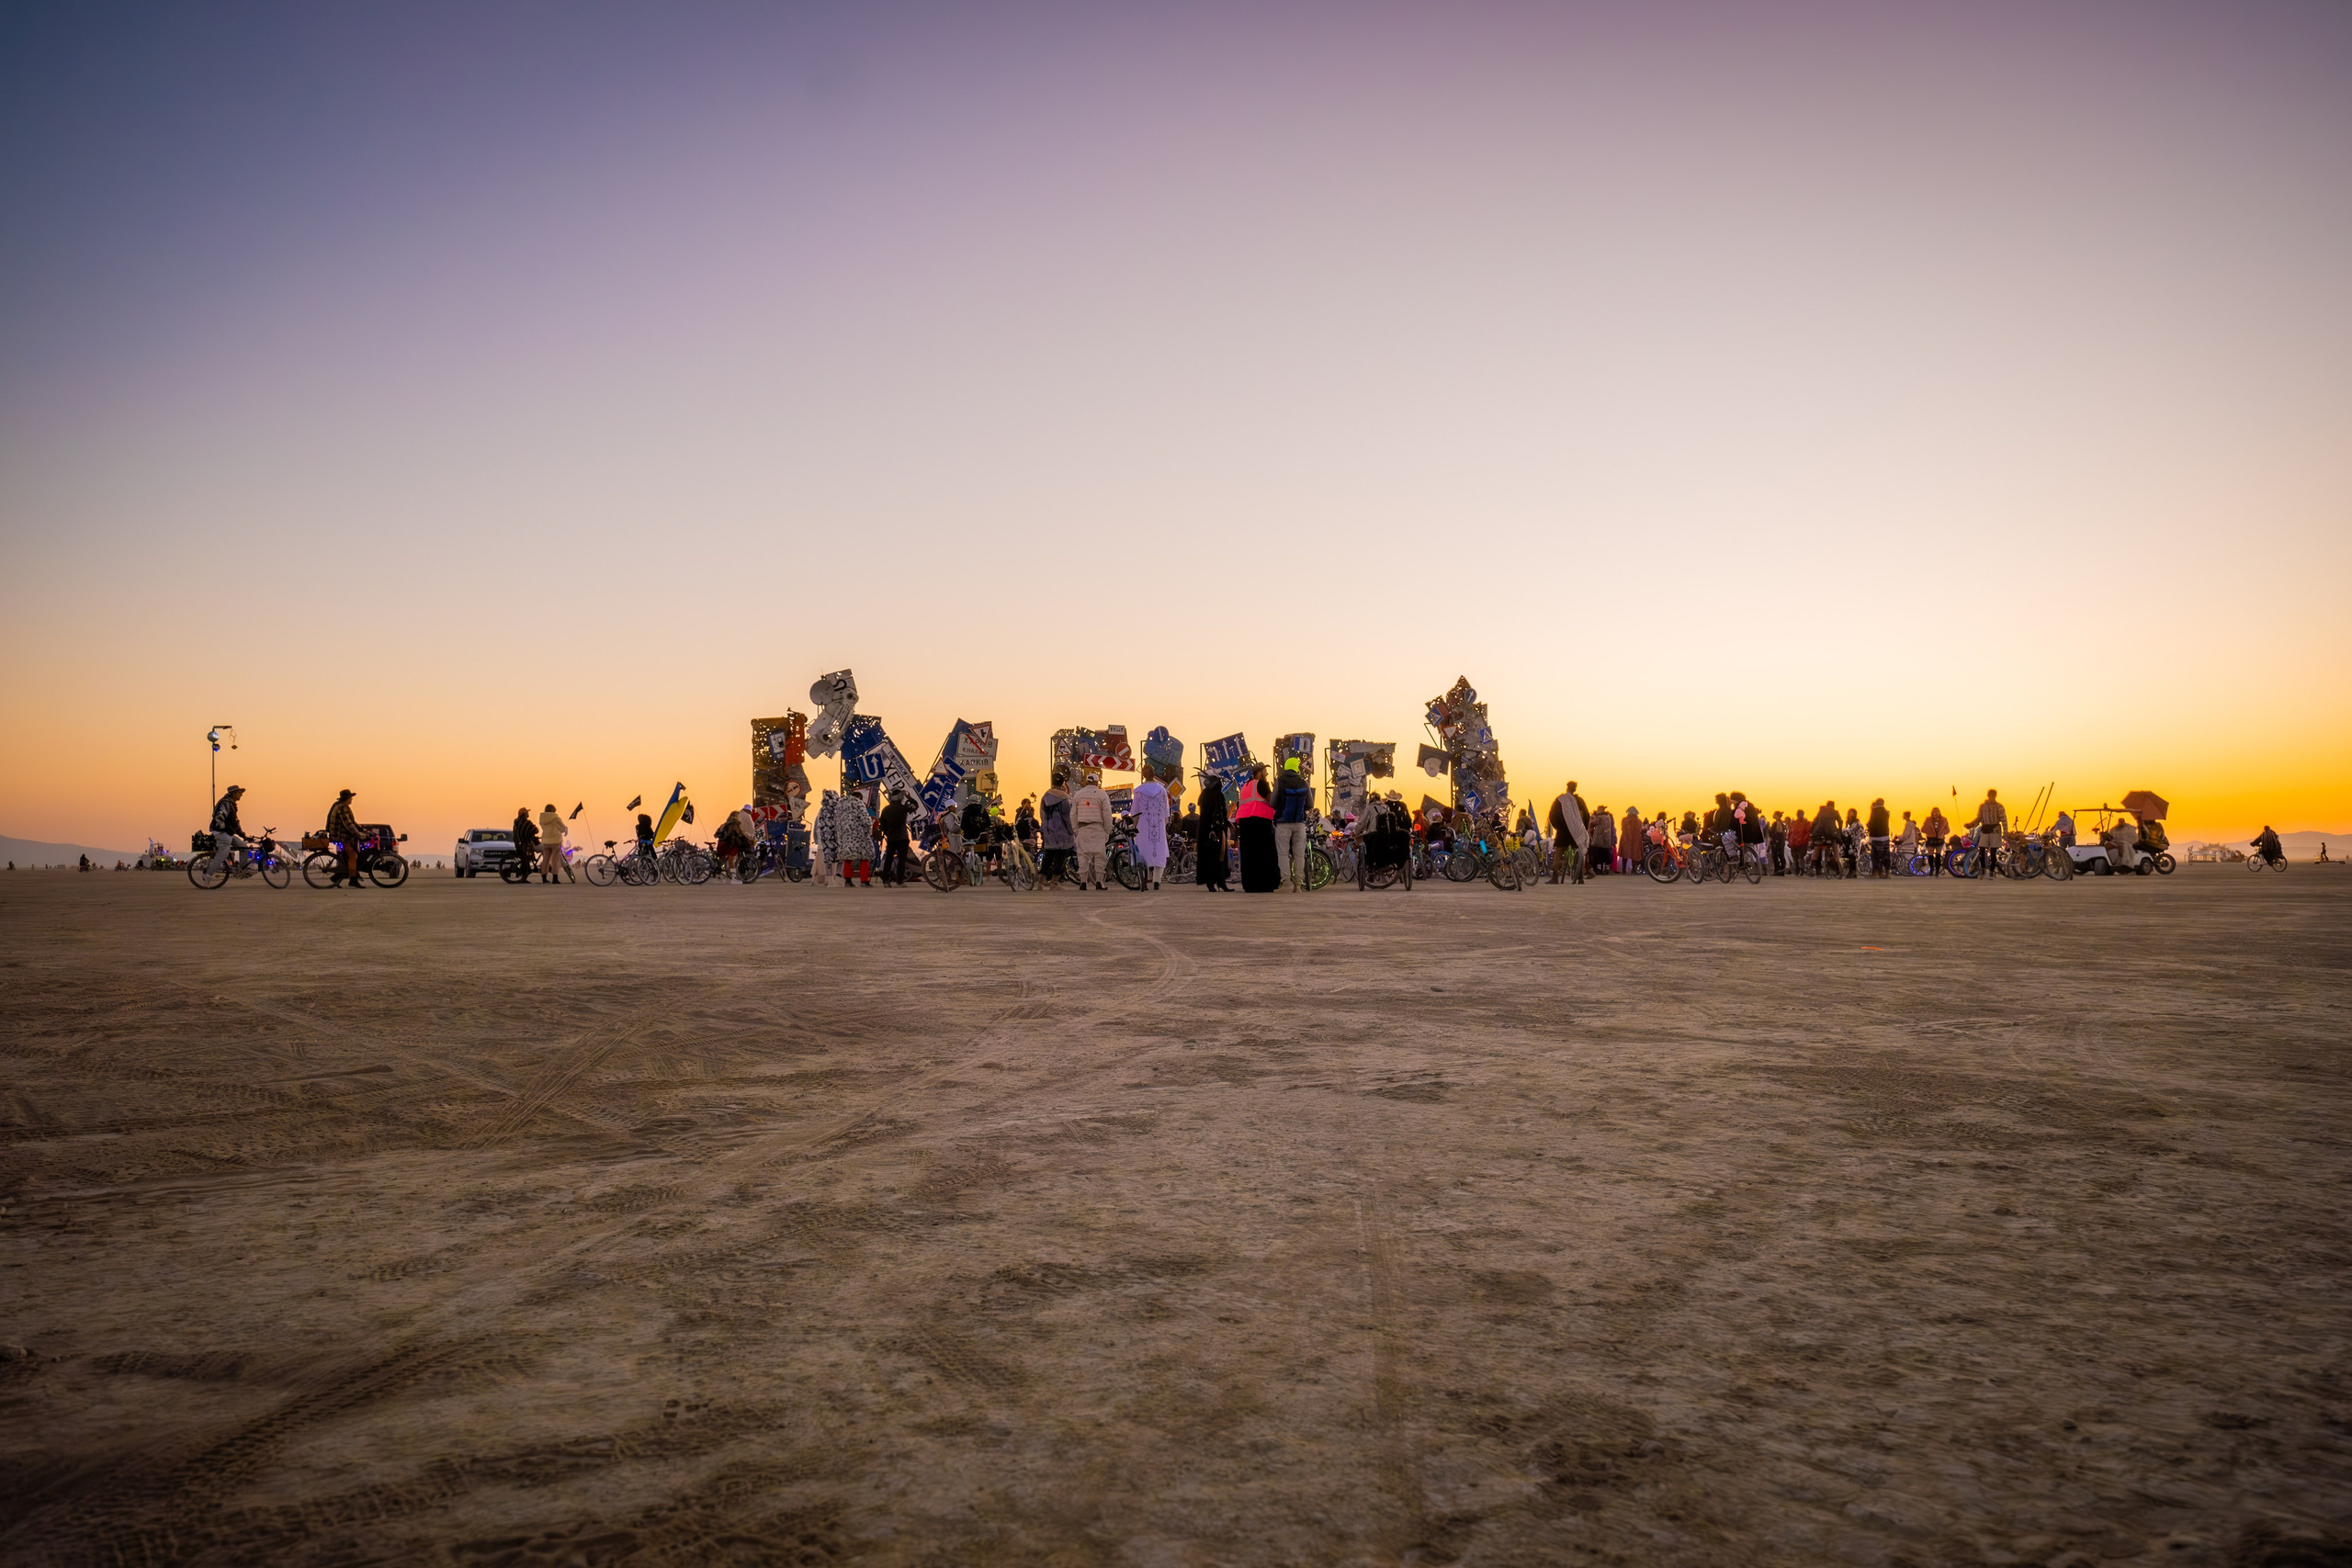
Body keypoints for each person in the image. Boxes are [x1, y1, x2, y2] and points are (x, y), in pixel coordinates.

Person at [1235, 762, 1281, 893]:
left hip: (1244, 820)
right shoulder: (1261, 784)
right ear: (1259, 773)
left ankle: (1250, 885)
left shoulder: (1245, 786)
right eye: (1265, 772)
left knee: (1249, 854)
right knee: (1265, 852)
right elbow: (1271, 800)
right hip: (1259, 820)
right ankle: (1266, 884)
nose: (1266, 774)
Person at [1271, 758, 1313, 890]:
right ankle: (1298, 885)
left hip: (1283, 823)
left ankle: (1286, 882)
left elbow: (1272, 802)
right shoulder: (1304, 783)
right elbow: (1310, 804)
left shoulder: (1280, 781)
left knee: (1283, 853)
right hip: (1299, 823)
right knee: (1299, 854)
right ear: (1296, 768)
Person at [1069, 770, 1114, 889]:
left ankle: (1083, 882)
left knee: (1083, 856)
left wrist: (1077, 831)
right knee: (1100, 857)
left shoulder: (1078, 795)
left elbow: (1073, 815)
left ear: (1086, 782)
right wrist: (1107, 830)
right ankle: (1099, 882)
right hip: (1098, 828)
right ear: (1097, 782)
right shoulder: (1102, 795)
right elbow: (1107, 815)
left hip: (1083, 829)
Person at [1133, 769, 1170, 889]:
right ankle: (1157, 881)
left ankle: (1144, 879)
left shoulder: (1138, 791)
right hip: (1158, 826)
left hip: (1143, 827)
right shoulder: (1162, 790)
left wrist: (1134, 827)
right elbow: (1166, 812)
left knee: (1143, 853)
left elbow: (1135, 813)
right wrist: (1163, 826)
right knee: (1159, 852)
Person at [204, 784, 250, 879]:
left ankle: (241, 871)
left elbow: (235, 822)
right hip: (220, 832)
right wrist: (225, 829)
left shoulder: (232, 804)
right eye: (239, 793)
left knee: (244, 847)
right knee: (223, 853)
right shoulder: (225, 803)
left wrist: (243, 835)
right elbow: (219, 818)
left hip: (228, 833)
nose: (241, 795)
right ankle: (208, 874)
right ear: (233, 793)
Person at [831, 789, 876, 886]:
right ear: (860, 798)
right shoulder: (858, 804)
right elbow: (865, 820)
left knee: (848, 858)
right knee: (864, 858)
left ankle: (848, 881)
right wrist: (869, 831)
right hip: (859, 836)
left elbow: (836, 821)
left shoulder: (839, 805)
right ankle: (864, 881)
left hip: (844, 836)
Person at [1194, 774, 1231, 890]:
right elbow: (1216, 813)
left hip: (1207, 830)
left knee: (1209, 856)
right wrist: (1214, 828)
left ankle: (1213, 881)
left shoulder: (1204, 795)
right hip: (1216, 830)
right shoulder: (1216, 795)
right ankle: (1219, 881)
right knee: (1218, 856)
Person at [1547, 782, 1588, 884]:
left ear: (1567, 787)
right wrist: (1584, 828)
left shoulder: (1560, 800)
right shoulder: (1579, 801)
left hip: (1563, 830)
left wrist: (1558, 827)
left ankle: (1555, 877)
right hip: (1577, 830)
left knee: (1559, 853)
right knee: (1580, 852)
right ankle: (1580, 877)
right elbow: (1586, 815)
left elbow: (1553, 815)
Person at [1039, 772, 1075, 885]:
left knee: (1048, 855)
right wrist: (1071, 831)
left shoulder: (1045, 797)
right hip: (1062, 832)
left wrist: (1045, 828)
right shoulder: (1064, 798)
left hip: (1049, 831)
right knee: (1060, 856)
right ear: (1063, 783)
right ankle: (1055, 881)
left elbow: (1042, 814)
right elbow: (1067, 817)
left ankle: (1041, 880)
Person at [329, 790, 367, 888]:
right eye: (351, 797)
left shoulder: (343, 806)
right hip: (341, 835)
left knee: (349, 857)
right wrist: (359, 834)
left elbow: (353, 823)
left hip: (342, 835)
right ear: (347, 798)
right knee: (352, 855)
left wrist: (364, 831)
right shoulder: (342, 807)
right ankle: (353, 880)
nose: (352, 799)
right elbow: (348, 824)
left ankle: (337, 877)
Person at [877, 790, 913, 886]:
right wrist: (909, 797)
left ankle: (885, 879)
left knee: (889, 858)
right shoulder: (903, 808)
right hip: (902, 837)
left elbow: (882, 825)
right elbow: (915, 806)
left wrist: (886, 833)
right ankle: (899, 880)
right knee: (902, 859)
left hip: (891, 837)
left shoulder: (886, 809)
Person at [1972, 789, 2006, 877]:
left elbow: (2003, 819)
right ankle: (1983, 868)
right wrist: (1972, 825)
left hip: (1995, 830)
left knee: (1993, 851)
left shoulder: (1999, 806)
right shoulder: (1983, 807)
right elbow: (1979, 818)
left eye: (1993, 795)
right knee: (1982, 850)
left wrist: (2005, 832)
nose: (1992, 797)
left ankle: (1992, 870)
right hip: (1985, 829)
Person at [537, 804, 571, 883]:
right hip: (555, 840)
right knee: (555, 860)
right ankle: (555, 878)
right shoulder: (556, 818)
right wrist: (566, 829)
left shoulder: (542, 819)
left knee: (546, 859)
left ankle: (544, 877)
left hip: (545, 840)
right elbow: (562, 829)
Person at [509, 806, 538, 886]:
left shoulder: (516, 821)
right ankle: (525, 877)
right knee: (527, 859)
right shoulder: (527, 822)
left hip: (518, 844)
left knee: (524, 859)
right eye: (527, 812)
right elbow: (535, 830)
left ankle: (523, 875)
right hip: (526, 844)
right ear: (525, 814)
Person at [1867, 797, 1892, 878]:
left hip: (1876, 836)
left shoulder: (1875, 811)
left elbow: (1871, 822)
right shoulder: (1886, 812)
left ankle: (1875, 873)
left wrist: (1868, 827)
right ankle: (1887, 872)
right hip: (1885, 836)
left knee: (1875, 855)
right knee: (1885, 855)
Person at [1923, 804, 1949, 875]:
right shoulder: (1928, 820)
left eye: (1937, 811)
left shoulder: (1944, 820)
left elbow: (1947, 830)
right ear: (1932, 812)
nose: (1936, 813)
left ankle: (1937, 871)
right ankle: (1931, 870)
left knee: (1938, 855)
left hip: (1939, 839)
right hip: (1931, 839)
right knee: (1930, 855)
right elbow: (1923, 829)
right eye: (1935, 811)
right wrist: (1929, 831)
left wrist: (1942, 833)